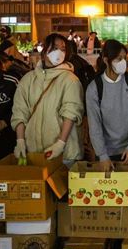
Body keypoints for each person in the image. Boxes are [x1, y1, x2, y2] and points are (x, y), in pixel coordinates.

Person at [11, 33, 84, 167]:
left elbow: (71, 113)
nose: (59, 52)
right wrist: (20, 141)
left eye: (63, 49)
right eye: (55, 47)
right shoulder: (28, 79)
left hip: (65, 155)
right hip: (34, 153)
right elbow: (20, 111)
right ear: (44, 52)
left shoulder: (70, 79)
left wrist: (60, 144)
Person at [86, 40, 128, 164]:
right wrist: (102, 155)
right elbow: (94, 124)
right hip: (105, 152)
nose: (123, 62)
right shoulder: (95, 87)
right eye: (118, 59)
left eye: (124, 58)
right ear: (106, 60)